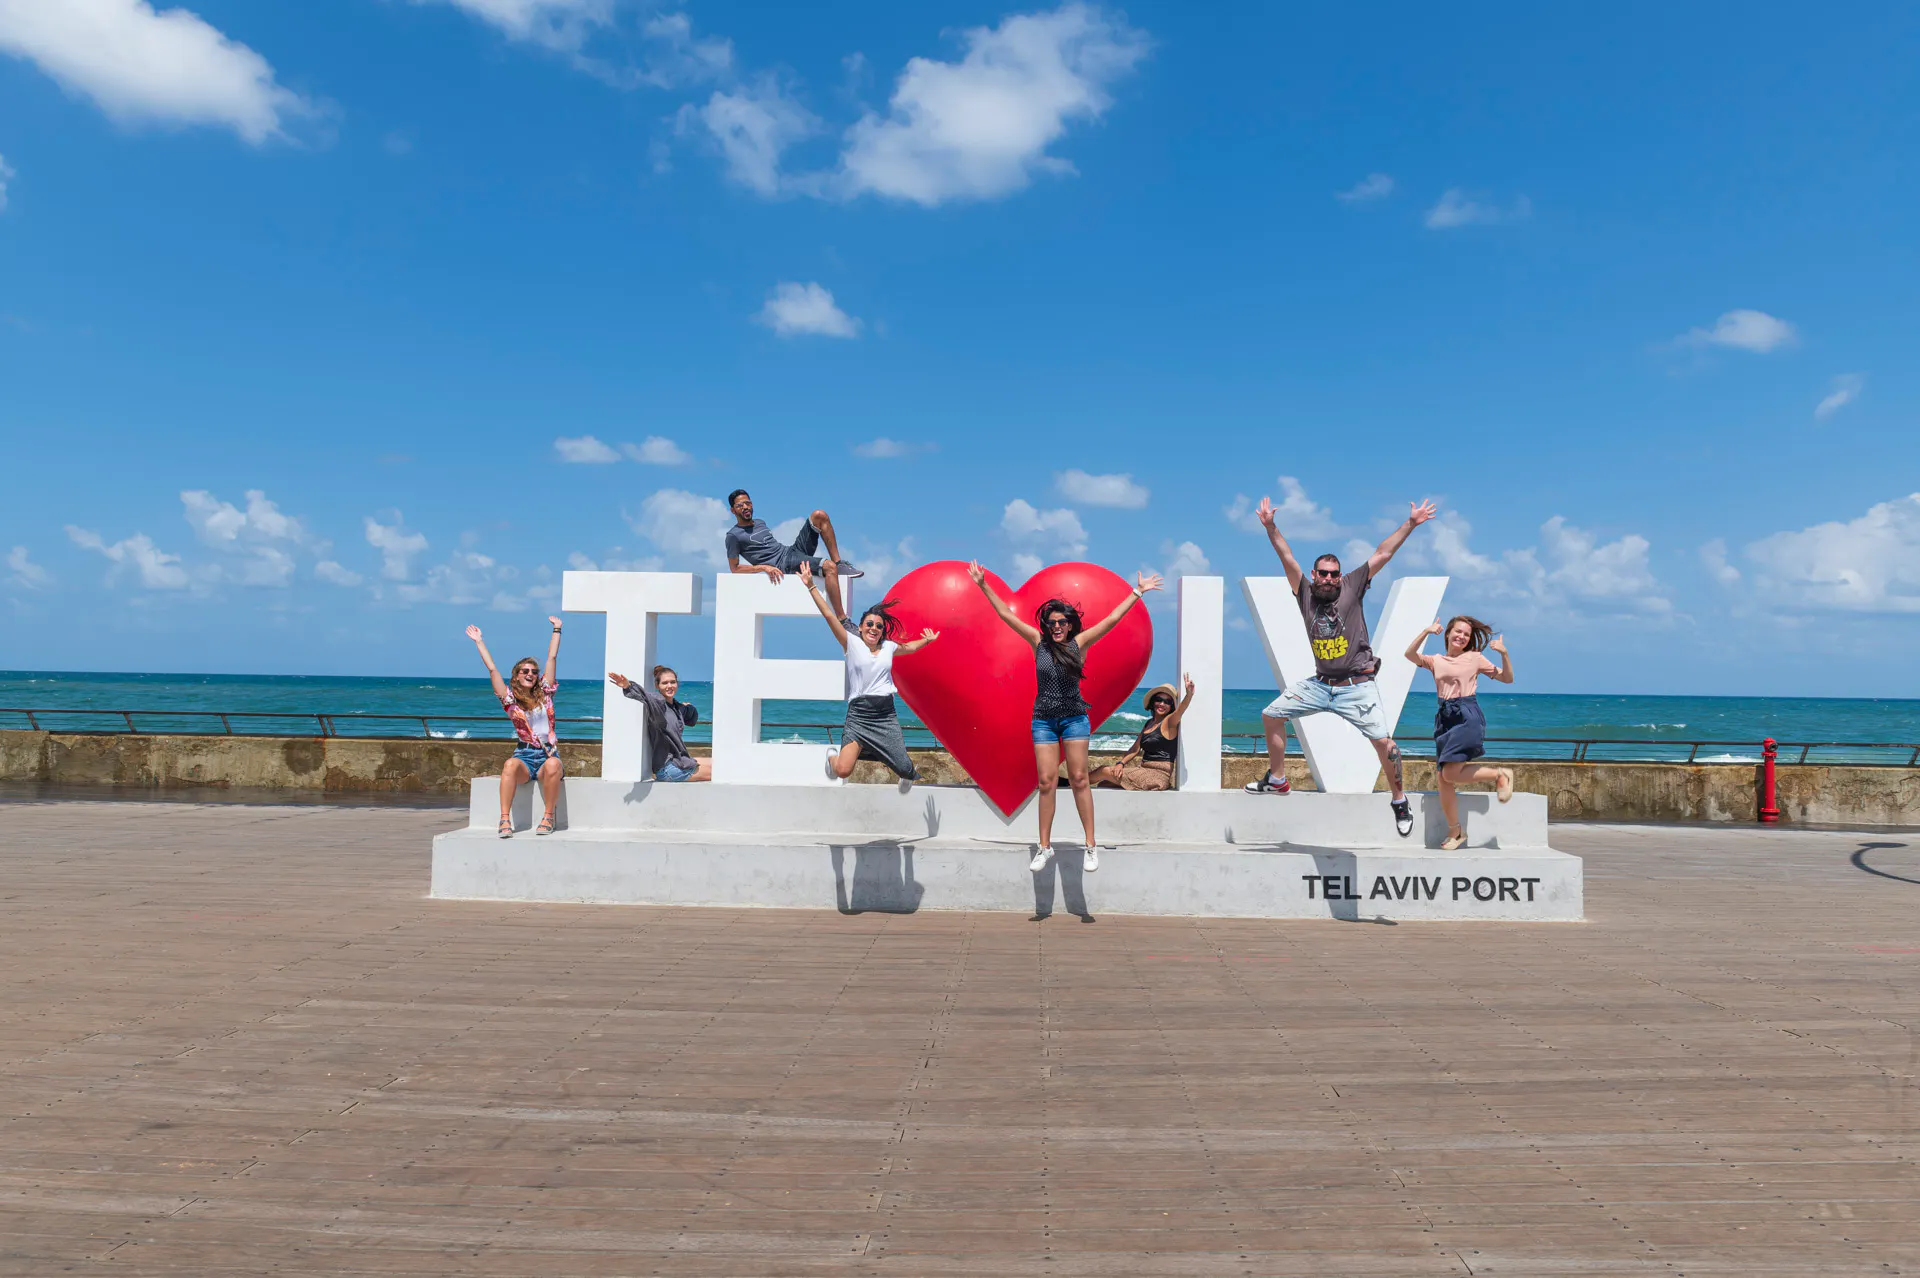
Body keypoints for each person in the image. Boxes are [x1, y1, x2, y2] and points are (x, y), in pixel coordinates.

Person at [1242, 496, 1439, 838]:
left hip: (1357, 686)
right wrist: (1271, 527)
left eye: (1334, 574)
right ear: (1314, 574)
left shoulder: (1352, 586)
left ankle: (1398, 799)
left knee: (1386, 745)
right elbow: (1286, 556)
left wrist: (1411, 523)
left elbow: (1383, 553)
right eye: (1324, 573)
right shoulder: (1304, 591)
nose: (1330, 579)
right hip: (1320, 684)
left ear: (1340, 575)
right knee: (1271, 715)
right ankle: (1277, 779)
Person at [968, 561, 1162, 874]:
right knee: (1046, 782)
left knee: (1079, 779)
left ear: (1070, 625)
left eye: (1061, 622)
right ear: (1046, 626)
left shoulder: (1079, 644)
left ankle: (1090, 845)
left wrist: (1137, 592)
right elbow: (1005, 615)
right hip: (1043, 720)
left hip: (1074, 718)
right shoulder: (1038, 642)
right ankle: (1044, 847)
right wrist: (982, 585)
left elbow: (1112, 619)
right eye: (1051, 622)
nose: (1056, 626)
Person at [796, 561, 941, 781]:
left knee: (905, 770)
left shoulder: (888, 647)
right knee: (843, 770)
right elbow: (829, 616)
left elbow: (910, 647)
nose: (874, 628)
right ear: (861, 627)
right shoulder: (851, 643)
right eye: (870, 624)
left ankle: (872, 750)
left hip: (885, 714)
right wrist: (811, 586)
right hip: (859, 714)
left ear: (882, 631)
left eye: (879, 626)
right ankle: (832, 757)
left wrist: (927, 640)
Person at [1405, 615, 1516, 849]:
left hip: (1467, 714)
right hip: (1445, 718)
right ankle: (1455, 832)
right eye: (1458, 631)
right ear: (1448, 633)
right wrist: (1426, 631)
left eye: (1466, 634)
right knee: (1443, 778)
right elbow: (1409, 654)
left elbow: (1507, 679)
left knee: (1450, 774)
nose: (1462, 636)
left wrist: (1504, 654)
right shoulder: (1436, 660)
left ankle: (1499, 775)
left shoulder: (1474, 658)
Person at [465, 617, 565, 837]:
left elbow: (552, 657)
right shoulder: (510, 700)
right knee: (509, 765)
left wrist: (557, 629)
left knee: (553, 765)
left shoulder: (546, 693)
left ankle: (548, 817)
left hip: (547, 753)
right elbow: (493, 670)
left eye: (534, 672)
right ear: (517, 676)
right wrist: (479, 641)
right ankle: (504, 820)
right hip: (524, 755)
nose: (530, 674)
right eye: (525, 671)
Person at [725, 488, 861, 615]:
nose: (745, 507)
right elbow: (734, 568)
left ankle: (839, 564)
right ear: (733, 510)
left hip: (791, 551)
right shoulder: (733, 535)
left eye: (748, 503)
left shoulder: (760, 522)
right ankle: (842, 619)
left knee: (819, 515)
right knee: (829, 567)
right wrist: (763, 567)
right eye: (740, 505)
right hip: (784, 565)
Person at [1091, 676, 1196, 791]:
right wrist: (1121, 763)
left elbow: (1180, 711)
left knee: (1103, 771)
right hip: (1143, 769)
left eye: (1167, 702)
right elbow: (1135, 749)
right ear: (1153, 702)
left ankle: (1077, 783)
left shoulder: (1169, 722)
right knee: (1105, 784)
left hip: (1158, 775)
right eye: (1159, 699)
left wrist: (1188, 695)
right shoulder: (1149, 723)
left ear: (1171, 706)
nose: (1162, 704)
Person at [607, 665, 709, 782]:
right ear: (657, 685)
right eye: (665, 683)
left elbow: (691, 718)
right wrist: (628, 686)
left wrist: (689, 707)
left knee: (717, 763)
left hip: (679, 761)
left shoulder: (676, 707)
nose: (669, 686)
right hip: (667, 769)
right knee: (717, 772)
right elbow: (645, 696)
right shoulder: (658, 702)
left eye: (672, 682)